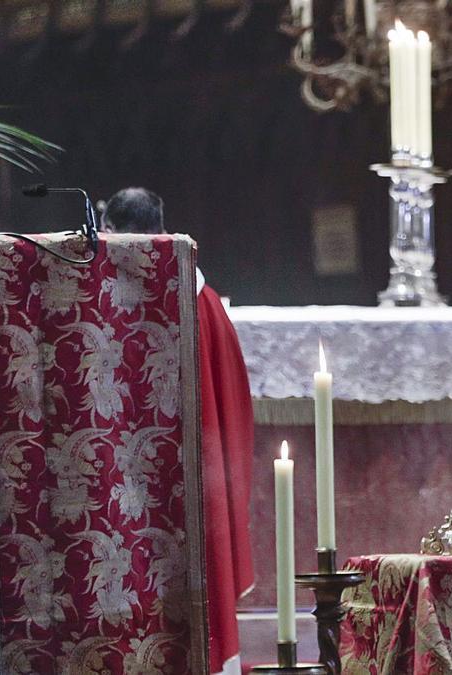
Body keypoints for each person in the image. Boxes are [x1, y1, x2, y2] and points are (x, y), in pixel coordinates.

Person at [102, 187, 254, 675]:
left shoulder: (95, 299)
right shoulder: (201, 299)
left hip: (116, 471)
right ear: (161, 230)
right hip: (186, 479)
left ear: (109, 231)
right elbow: (231, 406)